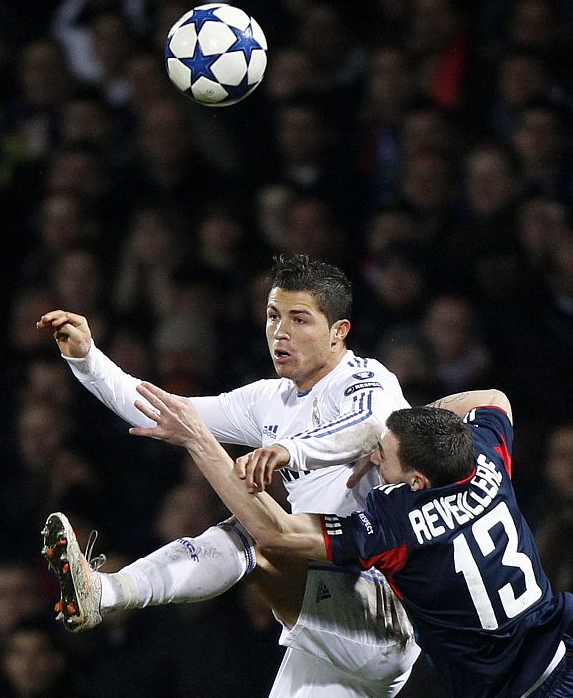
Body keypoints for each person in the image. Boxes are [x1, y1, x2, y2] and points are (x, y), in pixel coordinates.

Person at [37, 253, 426, 697]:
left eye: (300, 319)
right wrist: (88, 360)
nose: (281, 332)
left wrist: (289, 449)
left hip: (382, 605)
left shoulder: (366, 379)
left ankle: (107, 592)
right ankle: (101, 593)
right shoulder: (268, 400)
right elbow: (165, 411)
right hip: (328, 613)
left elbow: (370, 426)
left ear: (338, 331)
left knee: (254, 533)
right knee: (260, 532)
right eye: (273, 316)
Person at [134, 385, 573, 697]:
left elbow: (274, 532)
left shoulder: (398, 524)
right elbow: (494, 398)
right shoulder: (481, 454)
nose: (374, 458)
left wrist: (199, 441)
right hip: (564, 666)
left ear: (417, 481)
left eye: (383, 454)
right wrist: (414, 432)